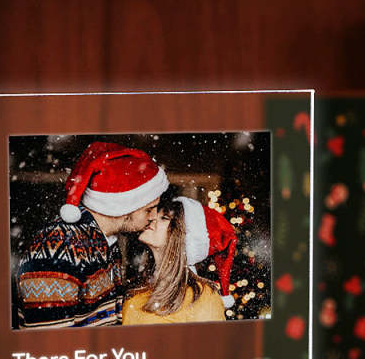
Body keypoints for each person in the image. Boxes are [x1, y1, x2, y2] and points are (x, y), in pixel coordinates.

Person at [16, 141, 168, 328]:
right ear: (124, 206)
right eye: (149, 209)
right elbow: (50, 341)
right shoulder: (57, 249)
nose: (154, 217)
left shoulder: (106, 243)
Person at [122, 189, 236, 325]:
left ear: (181, 236)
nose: (152, 218)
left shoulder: (202, 297)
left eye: (164, 218)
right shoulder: (139, 288)